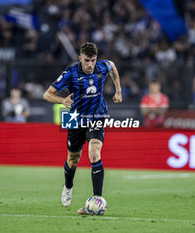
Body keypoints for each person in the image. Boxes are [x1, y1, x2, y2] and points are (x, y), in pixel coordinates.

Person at [43, 42, 122, 215]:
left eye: (93, 60)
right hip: (74, 118)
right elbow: (47, 94)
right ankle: (68, 186)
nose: (90, 64)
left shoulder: (102, 67)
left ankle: (97, 200)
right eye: (86, 60)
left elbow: (113, 67)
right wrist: (62, 100)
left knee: (94, 154)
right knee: (73, 159)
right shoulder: (70, 73)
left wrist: (118, 91)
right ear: (80, 58)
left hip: (97, 116)